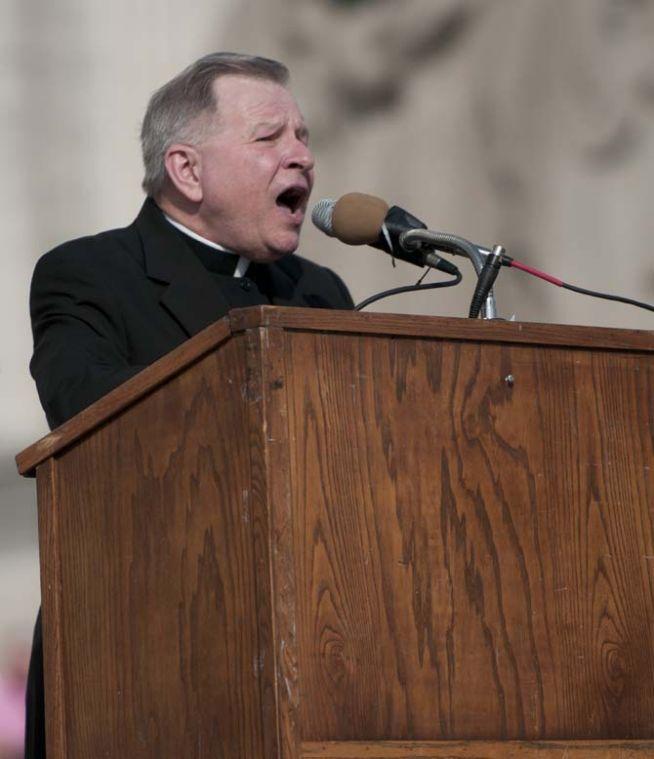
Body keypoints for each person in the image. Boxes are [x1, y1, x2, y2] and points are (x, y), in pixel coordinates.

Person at [25, 52, 353, 758]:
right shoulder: (91, 275)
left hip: (313, 656)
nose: (303, 156)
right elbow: (83, 411)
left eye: (302, 135)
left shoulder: (321, 293)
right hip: (143, 654)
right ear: (187, 170)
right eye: (270, 138)